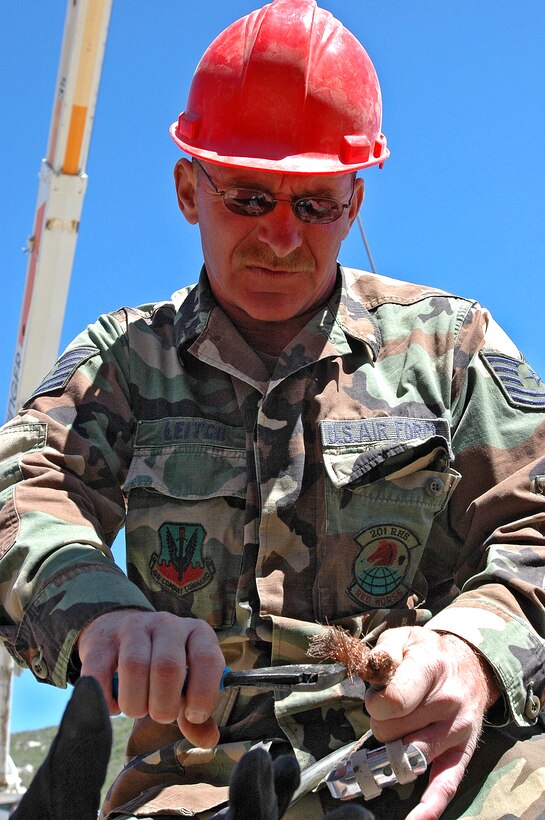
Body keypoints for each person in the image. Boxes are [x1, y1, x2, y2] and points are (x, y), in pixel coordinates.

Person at [1, 0, 544, 817]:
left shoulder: (450, 348)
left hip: (434, 765)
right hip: (196, 780)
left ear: (354, 204)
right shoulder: (125, 363)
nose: (283, 239)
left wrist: (473, 647)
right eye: (250, 199)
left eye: (316, 205)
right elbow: (20, 489)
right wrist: (100, 615)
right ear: (189, 189)